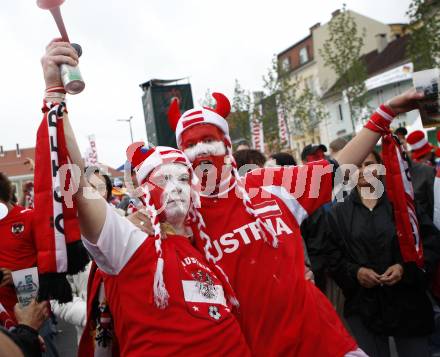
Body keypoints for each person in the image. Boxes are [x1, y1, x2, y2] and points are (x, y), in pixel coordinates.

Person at [166, 85, 426, 356]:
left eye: (208, 140)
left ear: (226, 144)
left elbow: (339, 167)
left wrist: (386, 112)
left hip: (326, 341)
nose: (201, 152)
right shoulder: (183, 217)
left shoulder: (265, 183)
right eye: (191, 145)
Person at [40, 39, 251, 357]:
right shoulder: (127, 241)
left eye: (183, 178)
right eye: (164, 178)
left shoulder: (205, 243)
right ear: (142, 189)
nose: (177, 186)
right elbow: (77, 180)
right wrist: (54, 92)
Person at [326, 150, 440, 357]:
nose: (363, 171)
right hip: (364, 307)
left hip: (408, 304)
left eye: (369, 164)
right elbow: (333, 256)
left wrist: (405, 268)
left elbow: (429, 242)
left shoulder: (404, 204)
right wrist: (356, 272)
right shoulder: (338, 213)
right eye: (357, 166)